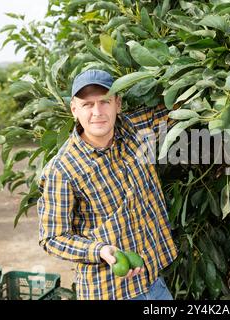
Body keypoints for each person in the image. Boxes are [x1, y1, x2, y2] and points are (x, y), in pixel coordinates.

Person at [37, 69, 178, 300]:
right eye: (87, 105)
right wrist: (99, 250)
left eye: (105, 102)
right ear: (74, 110)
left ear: (118, 104)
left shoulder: (136, 129)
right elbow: (52, 237)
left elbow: (178, 106)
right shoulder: (62, 170)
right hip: (108, 291)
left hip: (153, 283)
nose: (97, 112)